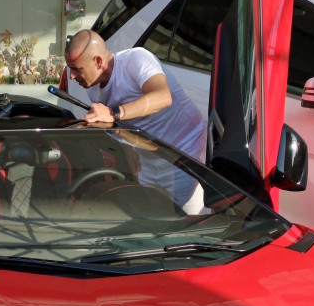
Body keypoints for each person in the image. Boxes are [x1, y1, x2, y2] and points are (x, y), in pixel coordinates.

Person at [63, 30, 206, 211]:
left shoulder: (136, 60)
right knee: (151, 220)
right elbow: (122, 127)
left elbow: (163, 96)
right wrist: (129, 156)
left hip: (184, 152)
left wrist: (113, 113)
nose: (71, 76)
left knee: (184, 225)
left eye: (76, 69)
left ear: (98, 62)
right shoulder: (93, 89)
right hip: (148, 159)